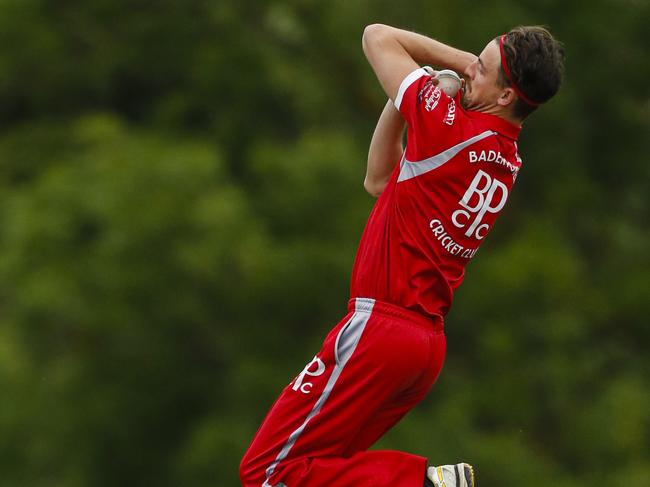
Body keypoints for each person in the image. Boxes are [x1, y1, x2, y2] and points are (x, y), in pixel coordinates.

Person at [240, 23, 564, 487]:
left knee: (267, 471)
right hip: (421, 349)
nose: (470, 68)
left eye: (482, 66)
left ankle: (425, 483)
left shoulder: (449, 126)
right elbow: (380, 178)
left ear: (506, 95)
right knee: (315, 473)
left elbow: (377, 37)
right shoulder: (506, 155)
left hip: (380, 330)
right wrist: (407, 99)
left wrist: (448, 69)